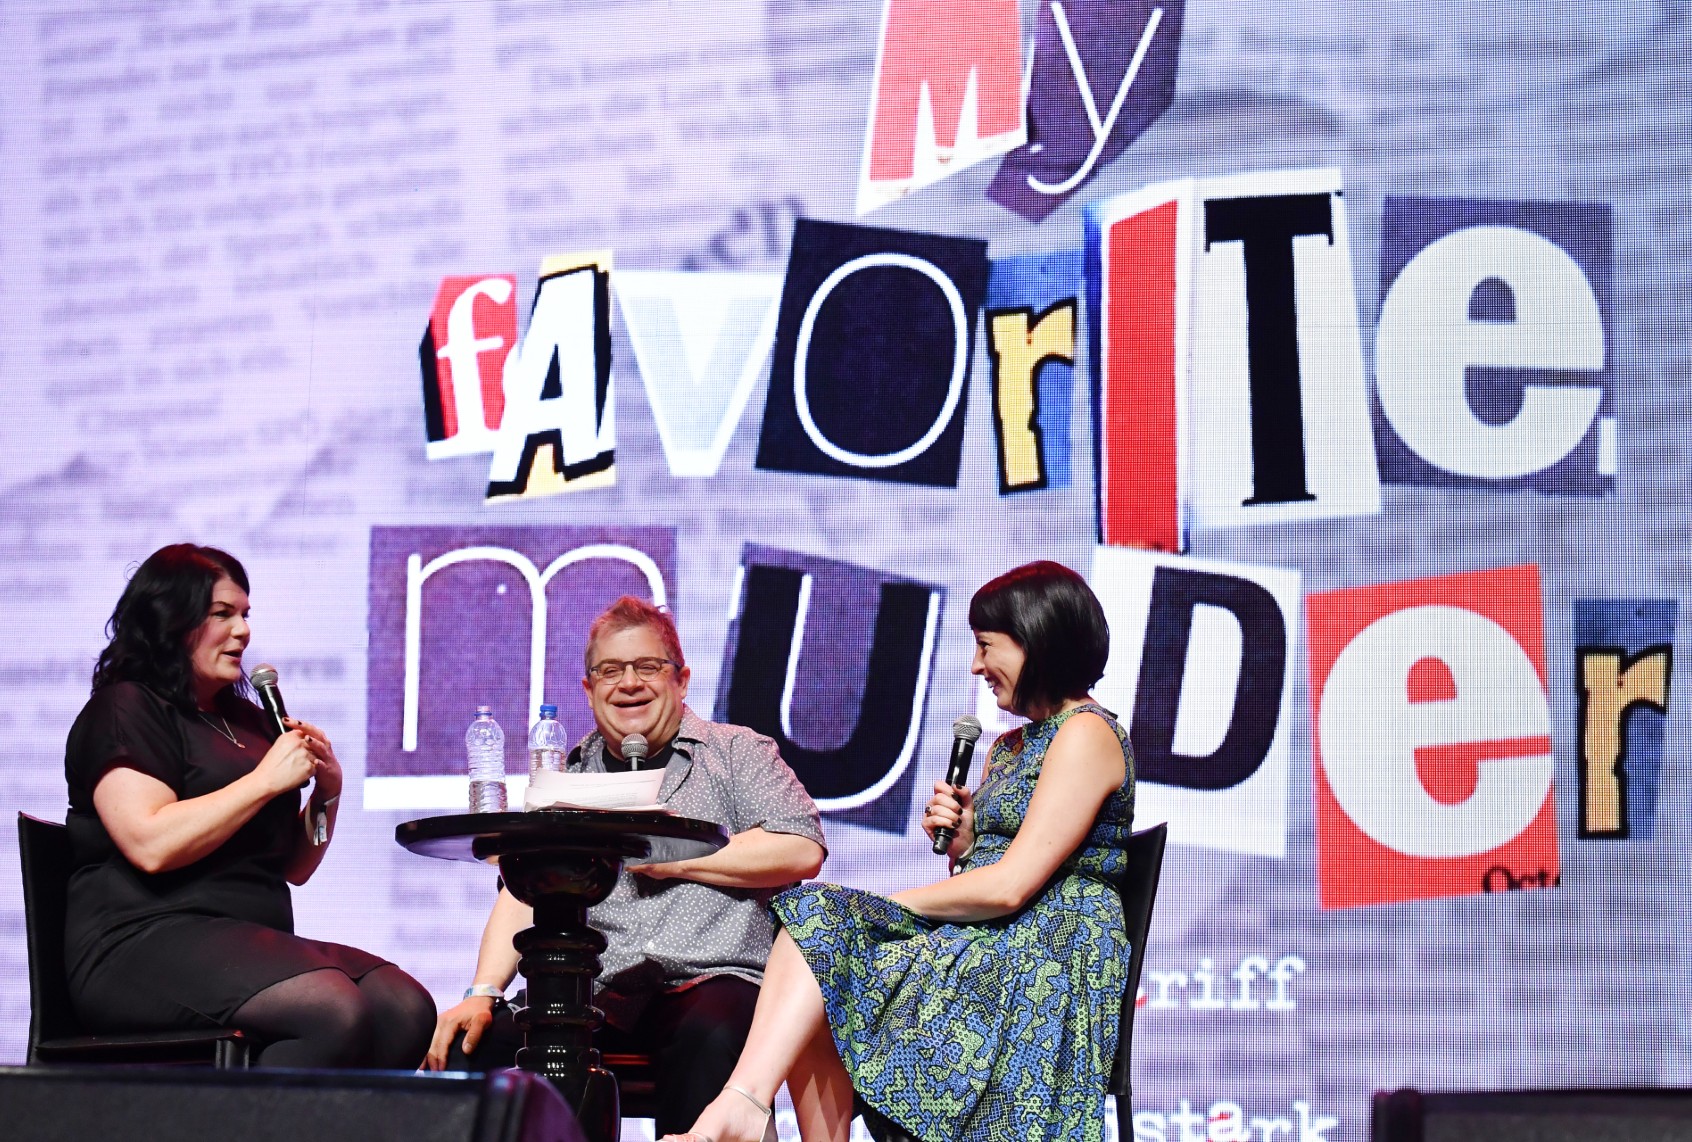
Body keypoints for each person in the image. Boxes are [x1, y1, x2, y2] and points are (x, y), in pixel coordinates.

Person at [665, 560, 1136, 1142]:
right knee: (821, 952)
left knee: (824, 928)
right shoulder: (1010, 747)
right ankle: (748, 1106)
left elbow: (1011, 885)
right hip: (993, 939)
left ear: (1035, 640)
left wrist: (890, 906)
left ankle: (740, 1109)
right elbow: (995, 872)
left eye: (987, 646)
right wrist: (966, 844)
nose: (976, 665)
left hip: (1047, 952)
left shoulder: (1086, 732)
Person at [426, 596, 827, 1137]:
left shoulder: (736, 752)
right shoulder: (569, 774)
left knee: (712, 1034)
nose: (629, 683)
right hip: (594, 992)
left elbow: (800, 848)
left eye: (648, 667)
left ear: (681, 680)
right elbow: (524, 891)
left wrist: (671, 857)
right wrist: (481, 993)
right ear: (588, 689)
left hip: (711, 980)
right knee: (468, 1047)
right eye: (610, 671)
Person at [63, 543, 436, 1068]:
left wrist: (327, 792)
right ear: (170, 621)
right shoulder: (127, 707)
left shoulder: (249, 721)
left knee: (404, 1007)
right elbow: (150, 844)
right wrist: (264, 781)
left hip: (245, 940)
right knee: (330, 1008)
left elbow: (295, 866)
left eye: (245, 614)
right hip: (141, 941)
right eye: (222, 614)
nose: (242, 631)